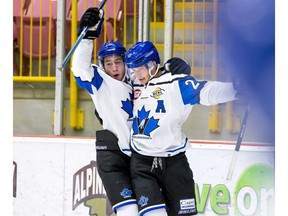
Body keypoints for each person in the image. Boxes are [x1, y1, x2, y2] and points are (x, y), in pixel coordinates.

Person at [71, 7, 192, 216]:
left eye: (118, 62)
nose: (114, 68)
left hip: (142, 157)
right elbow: (80, 69)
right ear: (102, 66)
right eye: (108, 63)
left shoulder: (138, 80)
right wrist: (87, 37)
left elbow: (161, 79)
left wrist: (178, 70)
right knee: (129, 212)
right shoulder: (100, 82)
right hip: (114, 156)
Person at [125, 41, 238, 216]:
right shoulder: (133, 85)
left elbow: (207, 91)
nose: (136, 74)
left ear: (152, 64)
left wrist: (236, 89)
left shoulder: (175, 84)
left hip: (175, 164)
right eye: (133, 70)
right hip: (143, 164)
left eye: (140, 69)